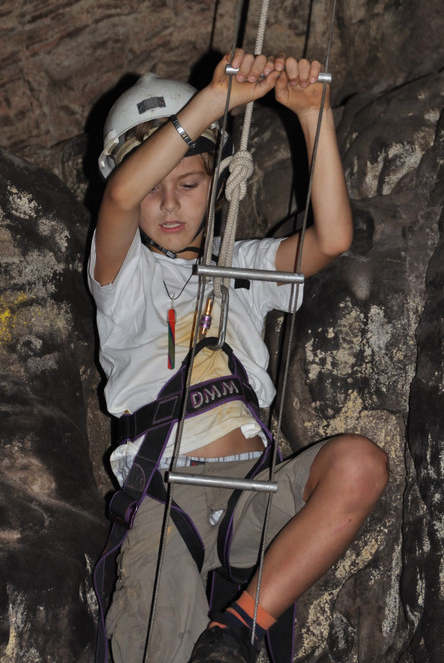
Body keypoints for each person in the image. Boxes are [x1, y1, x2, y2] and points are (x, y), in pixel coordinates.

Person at [88, 50, 389, 663]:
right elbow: (120, 196)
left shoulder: (241, 266)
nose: (169, 205)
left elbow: (332, 238)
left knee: (360, 464)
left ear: (218, 180)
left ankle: (236, 631)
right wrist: (213, 101)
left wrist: (314, 114)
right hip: (167, 491)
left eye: (189, 184)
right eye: (155, 190)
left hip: (254, 486)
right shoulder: (122, 278)